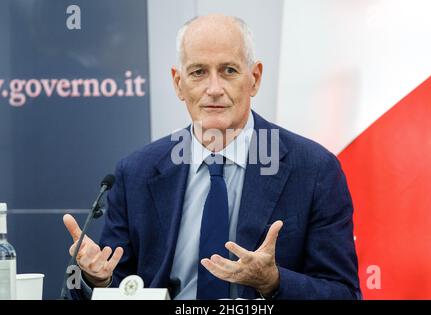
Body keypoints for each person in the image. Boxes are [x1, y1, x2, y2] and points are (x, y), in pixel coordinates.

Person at [63, 14, 361, 300]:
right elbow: (117, 284)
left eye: (229, 70)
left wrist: (273, 282)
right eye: (198, 72)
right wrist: (96, 279)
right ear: (178, 83)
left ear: (254, 78)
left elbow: (343, 293)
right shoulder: (137, 173)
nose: (214, 89)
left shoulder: (313, 170)